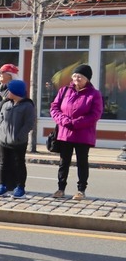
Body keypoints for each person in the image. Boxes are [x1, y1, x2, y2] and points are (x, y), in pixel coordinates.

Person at [49, 64, 104, 200]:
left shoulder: (94, 94)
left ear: (87, 79)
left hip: (83, 134)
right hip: (65, 132)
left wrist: (76, 123)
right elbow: (54, 108)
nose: (76, 78)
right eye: (74, 76)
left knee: (82, 162)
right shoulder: (64, 91)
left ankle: (81, 190)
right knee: (64, 162)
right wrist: (64, 120)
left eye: (80, 76)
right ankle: (60, 189)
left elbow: (95, 114)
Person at [0, 79, 35, 198]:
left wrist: (19, 137)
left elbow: (29, 124)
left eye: (10, 90)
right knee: (3, 164)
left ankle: (20, 187)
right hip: (3, 140)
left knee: (19, 164)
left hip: (18, 142)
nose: (7, 93)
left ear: (16, 92)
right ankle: (2, 186)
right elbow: (0, 121)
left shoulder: (28, 106)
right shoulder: (6, 104)